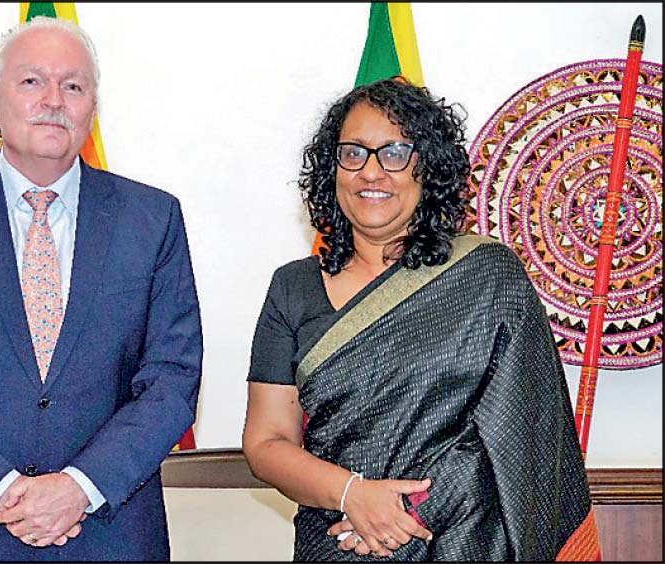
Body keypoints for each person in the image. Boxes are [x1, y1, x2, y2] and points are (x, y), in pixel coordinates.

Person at [0, 16, 202, 561]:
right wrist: (3, 491)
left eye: (73, 85)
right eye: (31, 81)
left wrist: (79, 488)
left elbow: (172, 379)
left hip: (107, 534)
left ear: (92, 107)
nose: (54, 100)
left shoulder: (152, 218)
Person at [241, 78, 591, 561]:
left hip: (465, 540)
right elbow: (266, 442)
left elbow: (522, 434)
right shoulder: (292, 287)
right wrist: (352, 494)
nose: (371, 172)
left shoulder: (487, 277)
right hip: (338, 540)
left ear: (428, 168)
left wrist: (410, 509)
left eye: (394, 153)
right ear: (331, 170)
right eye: (353, 153)